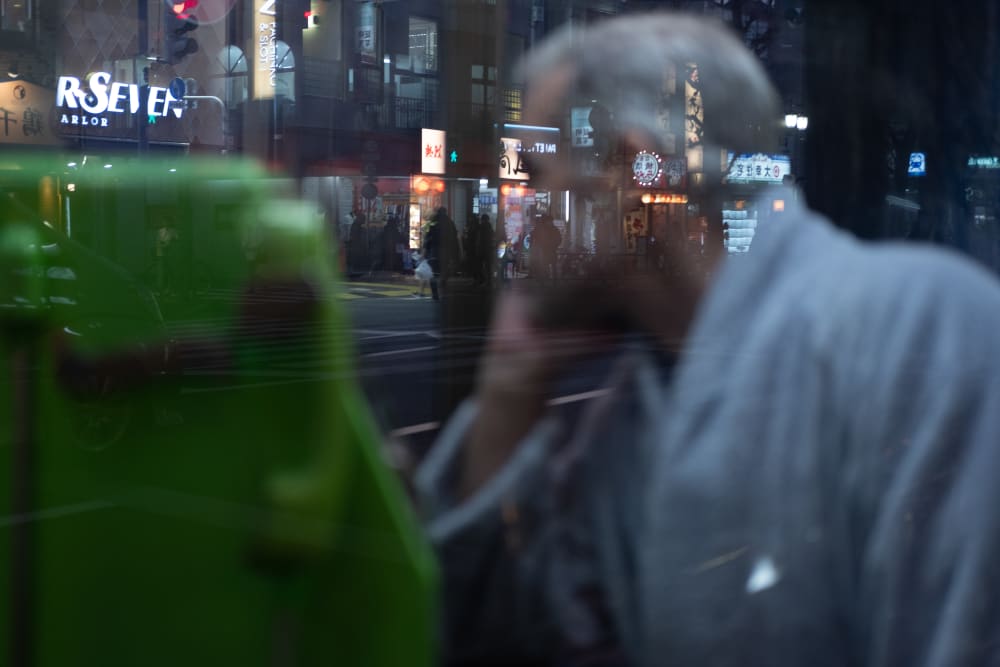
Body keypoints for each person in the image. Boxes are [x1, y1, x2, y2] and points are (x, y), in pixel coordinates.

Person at [415, 12, 1000, 667]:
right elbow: (505, 637)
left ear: (632, 174)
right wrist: (510, 379)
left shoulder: (926, 330)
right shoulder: (624, 424)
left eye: (540, 172)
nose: (529, 210)